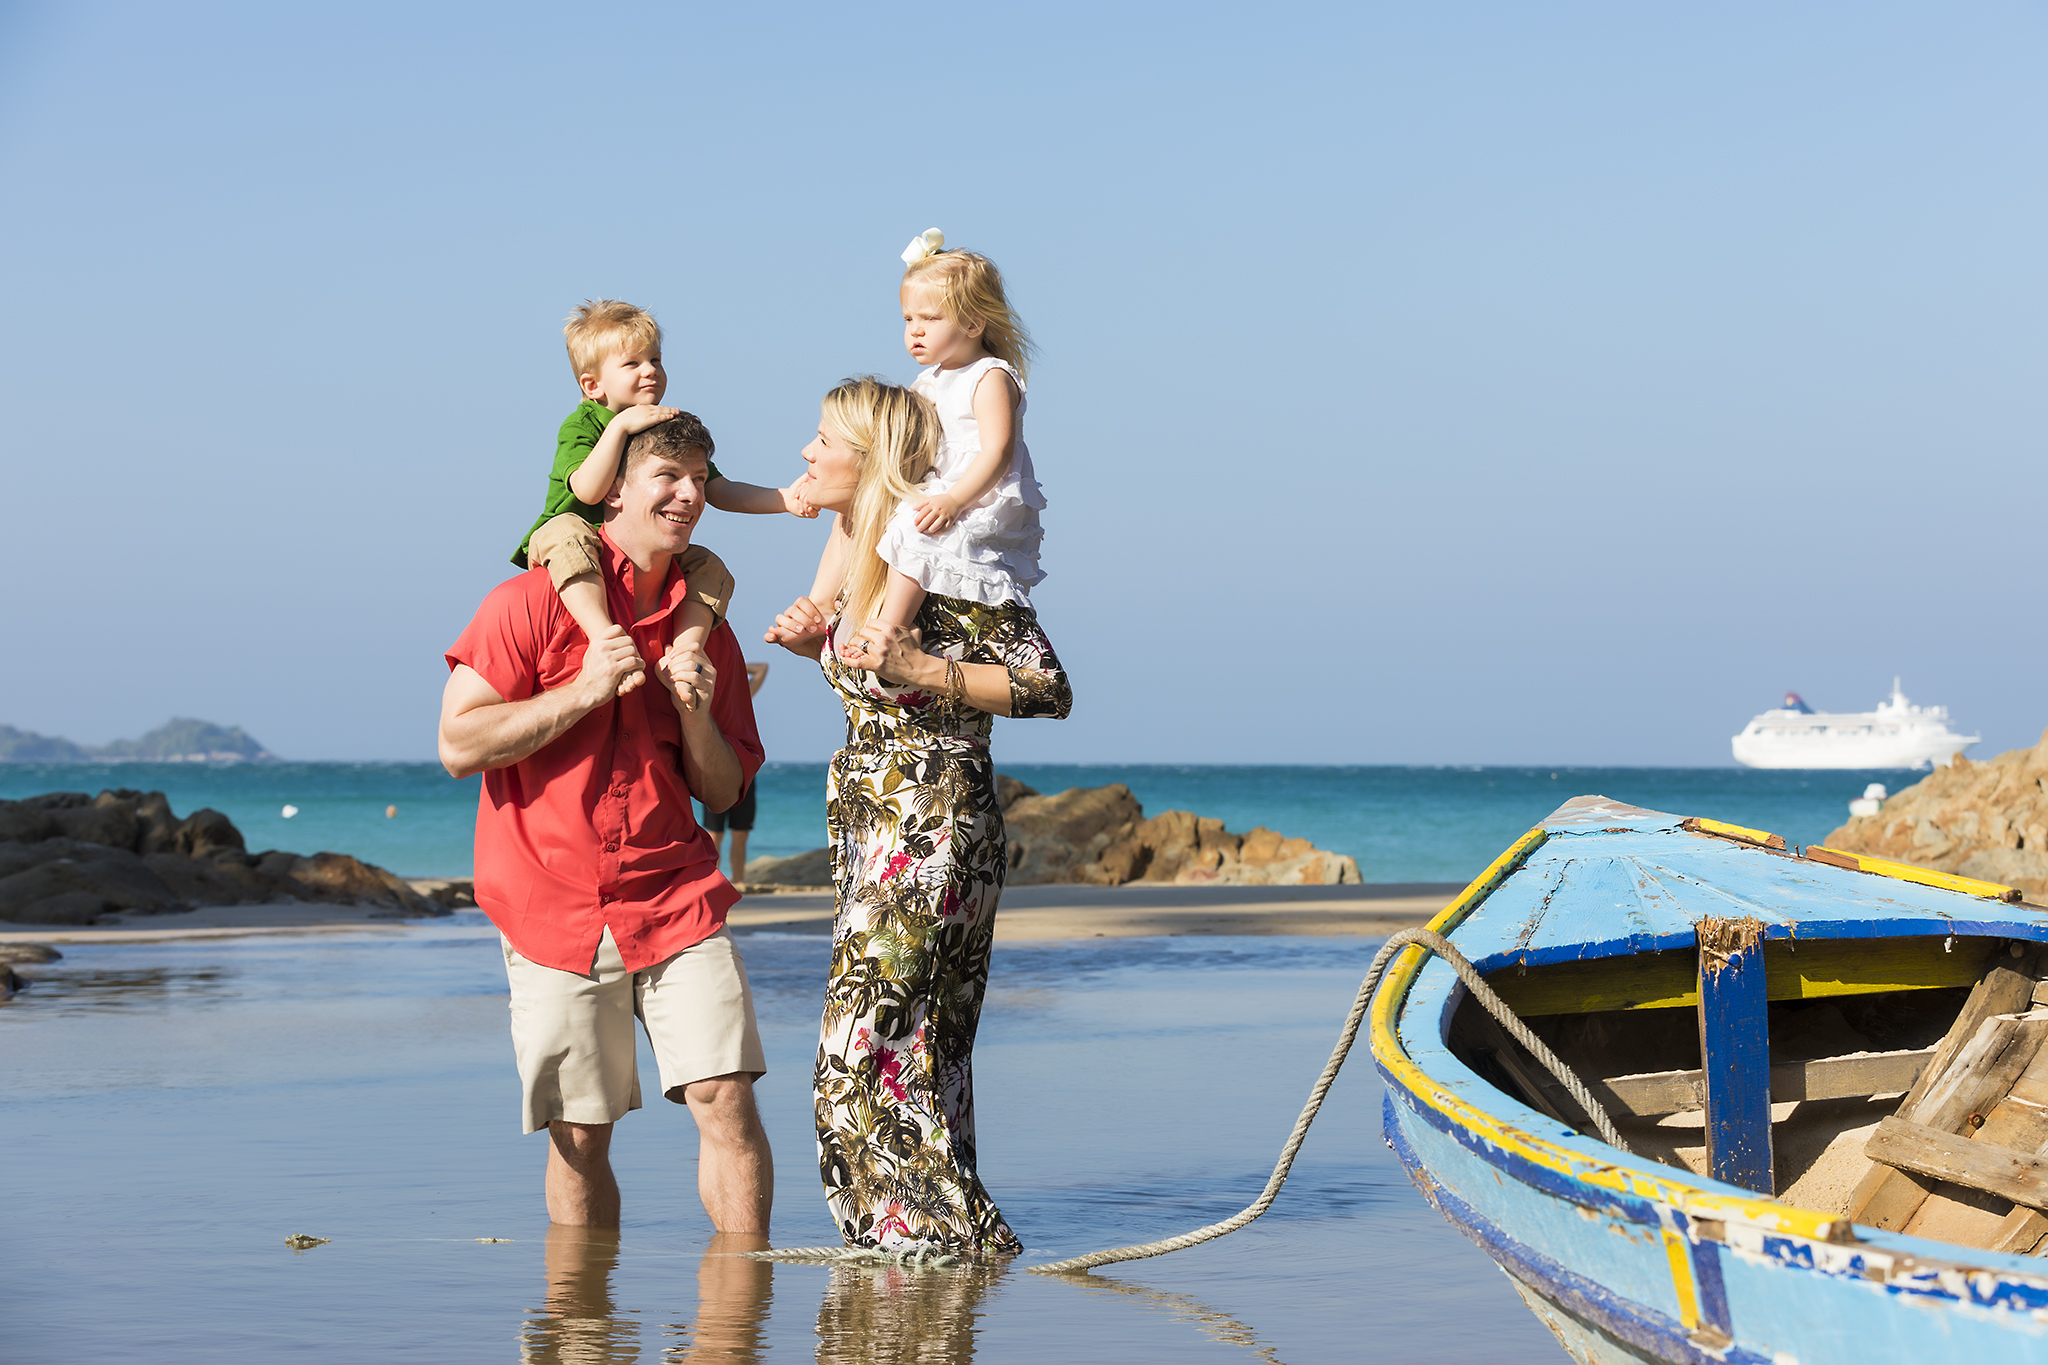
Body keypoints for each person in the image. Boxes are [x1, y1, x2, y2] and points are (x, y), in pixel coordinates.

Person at [441, 413, 774, 1232]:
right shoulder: (528, 602)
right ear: (615, 486)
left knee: (724, 1097)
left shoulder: (710, 633)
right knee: (581, 1133)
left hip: (676, 893)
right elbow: (458, 743)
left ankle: (735, 1329)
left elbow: (725, 790)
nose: (689, 493)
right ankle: (584, 1328)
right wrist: (584, 691)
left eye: (701, 477)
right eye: (668, 474)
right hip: (549, 902)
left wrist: (695, 715)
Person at [765, 376, 1072, 1257]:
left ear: (870, 460)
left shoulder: (945, 553)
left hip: (933, 827)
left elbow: (1047, 687)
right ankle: (936, 1267)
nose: (805, 453)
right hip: (875, 826)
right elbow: (871, 677)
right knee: (912, 1052)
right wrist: (808, 642)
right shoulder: (863, 547)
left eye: (823, 439)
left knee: (863, 1051)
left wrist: (921, 665)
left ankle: (927, 1252)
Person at [515, 299, 816, 709]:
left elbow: (719, 489)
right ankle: (605, 636)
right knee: (569, 533)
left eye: (655, 359)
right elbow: (587, 491)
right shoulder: (584, 424)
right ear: (592, 386)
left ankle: (685, 651)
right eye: (632, 363)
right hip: (566, 539)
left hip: (631, 553)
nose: (650, 370)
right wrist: (621, 426)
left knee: (707, 565)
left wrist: (784, 499)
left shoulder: (663, 429)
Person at [802, 232, 1044, 658]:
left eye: (929, 319)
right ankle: (838, 606)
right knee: (880, 518)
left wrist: (953, 500)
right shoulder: (927, 381)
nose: (915, 331)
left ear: (972, 323)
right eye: (907, 320)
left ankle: (888, 626)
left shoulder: (989, 376)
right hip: (938, 486)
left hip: (978, 492)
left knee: (914, 532)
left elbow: (998, 451)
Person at [702, 661, 769, 884]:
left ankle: (739, 882)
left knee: (740, 836)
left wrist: (731, 665)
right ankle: (713, 882)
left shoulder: (741, 698)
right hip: (715, 773)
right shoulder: (707, 701)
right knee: (714, 836)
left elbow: (762, 668)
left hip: (744, 773)